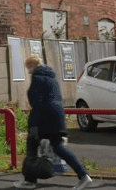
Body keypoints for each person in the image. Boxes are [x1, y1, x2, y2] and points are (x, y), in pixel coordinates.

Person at [14, 56, 93, 190]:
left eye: (28, 68)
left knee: (32, 145)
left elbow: (38, 104)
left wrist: (33, 125)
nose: (28, 71)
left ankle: (29, 181)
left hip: (44, 118)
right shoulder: (51, 77)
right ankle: (83, 175)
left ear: (32, 65)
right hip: (57, 116)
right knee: (58, 147)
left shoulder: (38, 78)